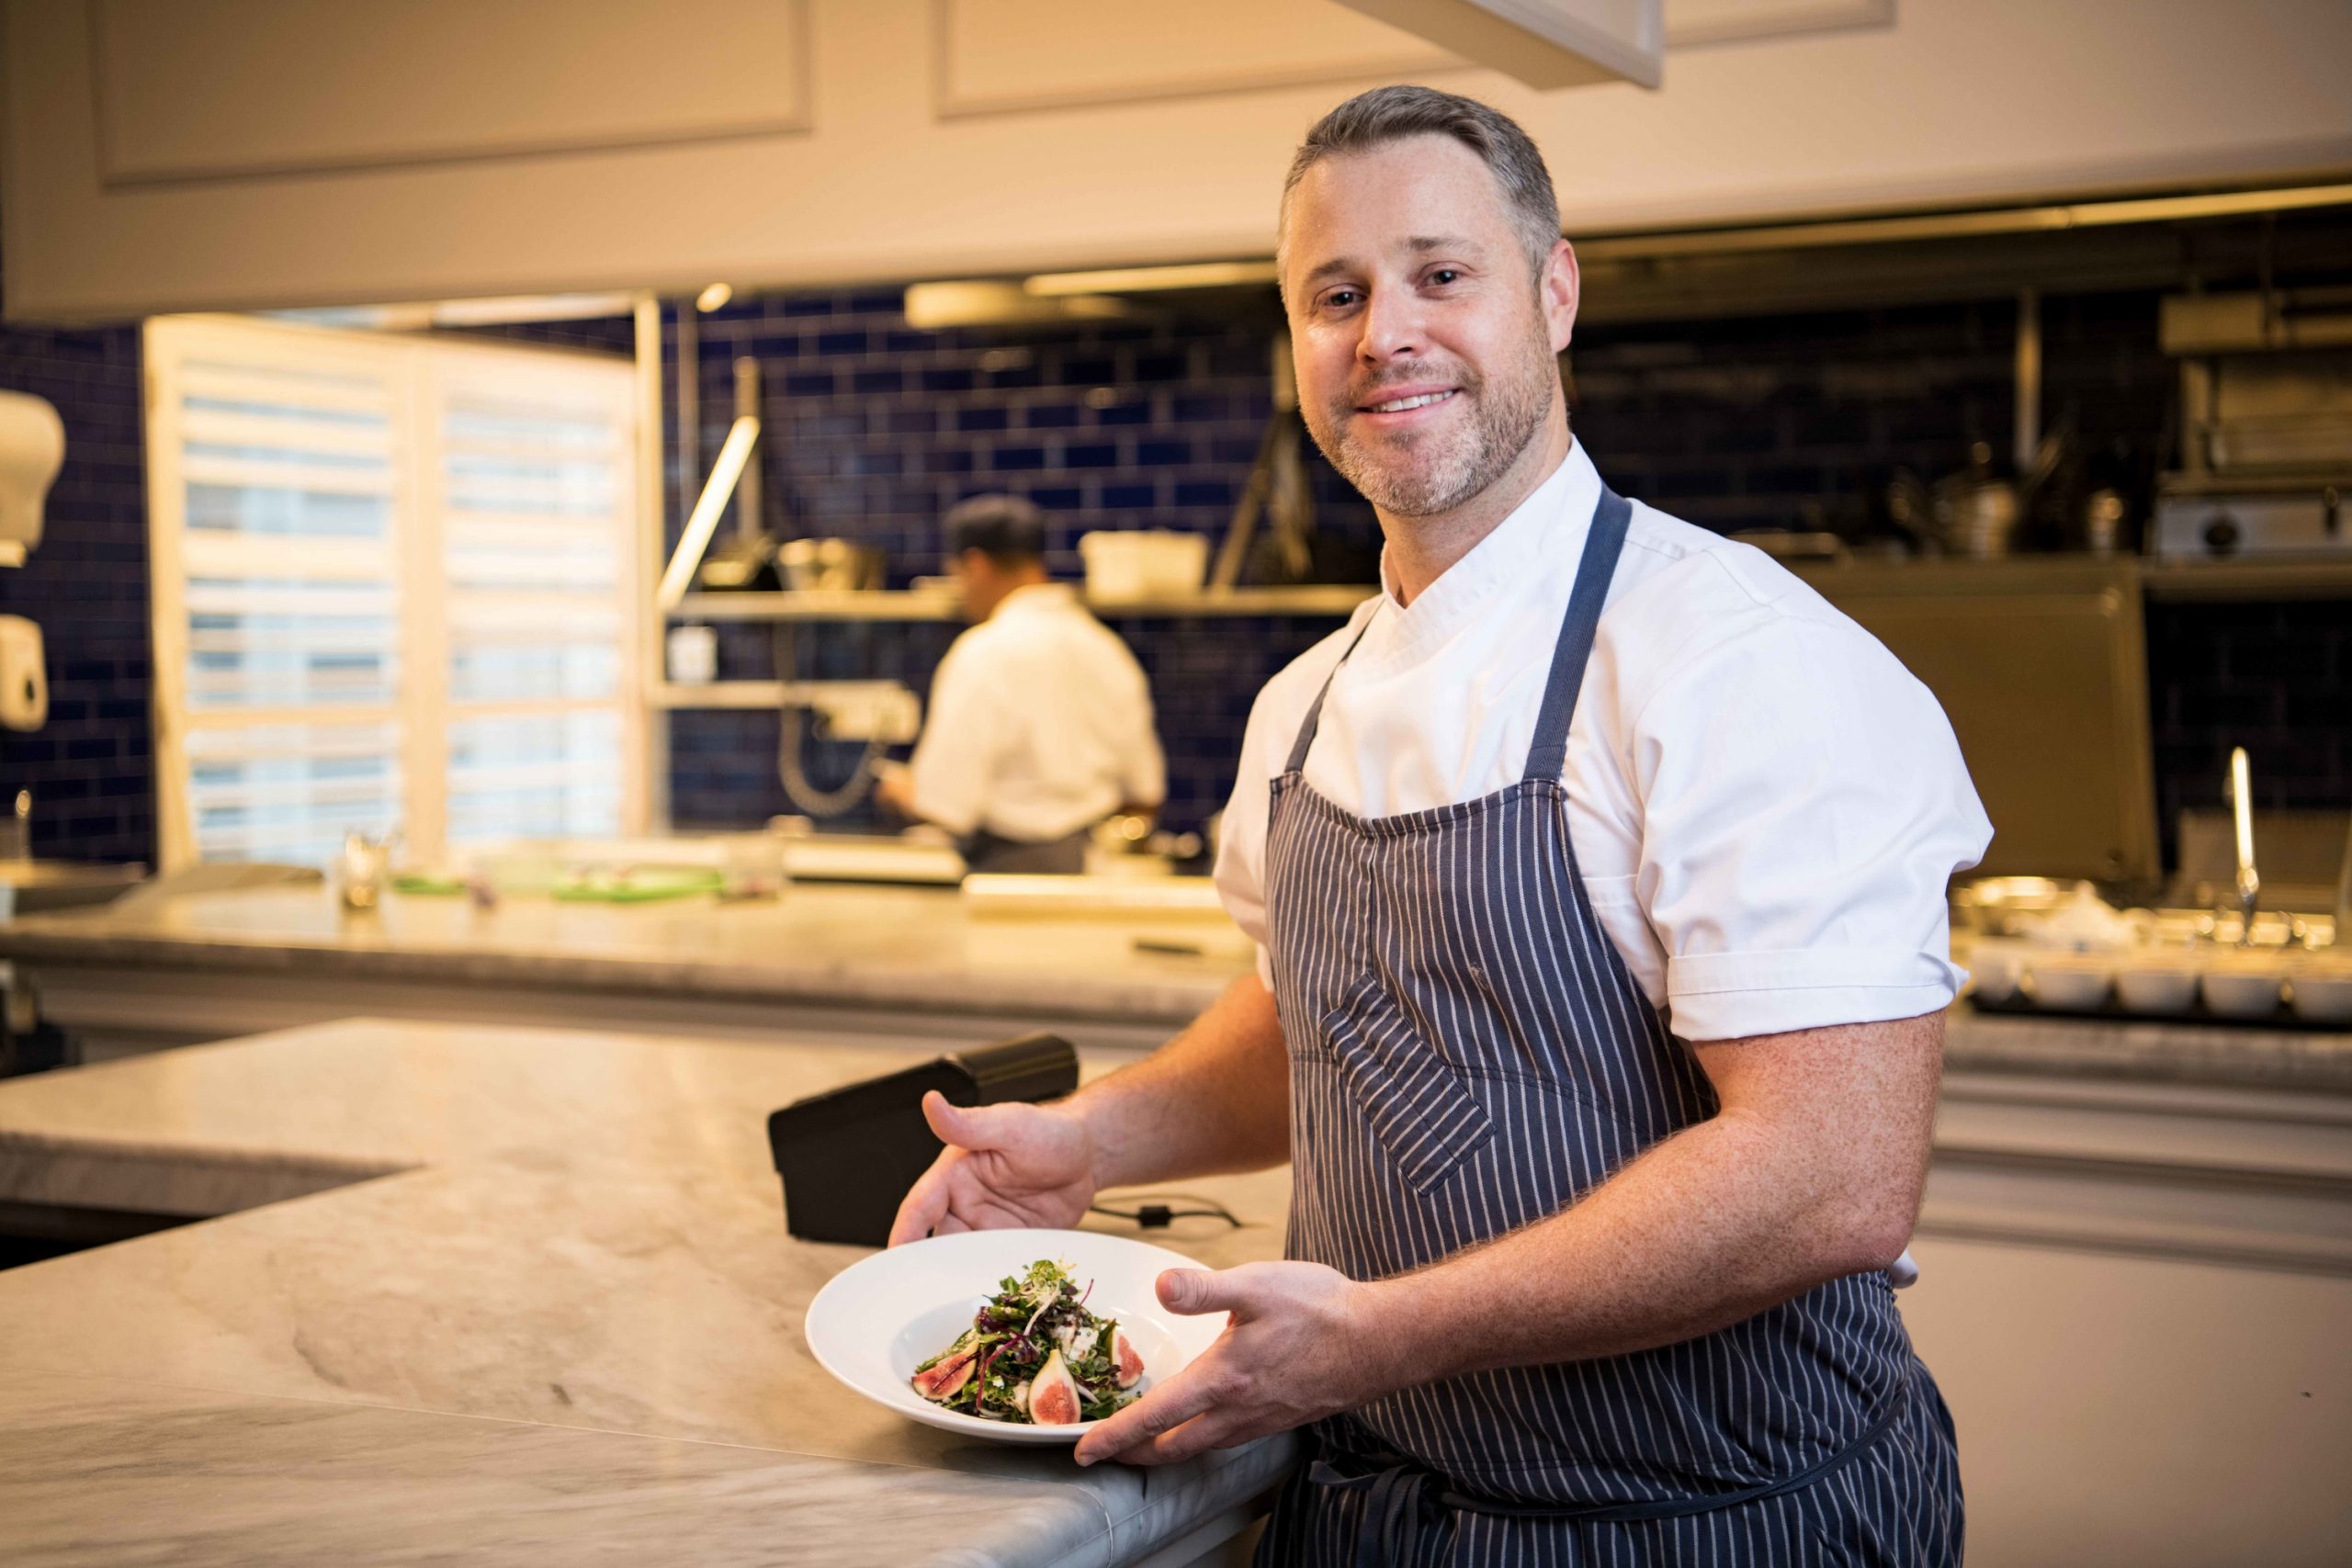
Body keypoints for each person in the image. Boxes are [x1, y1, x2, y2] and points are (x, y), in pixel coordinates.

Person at [891, 85, 1988, 1564]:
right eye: (1333, 294)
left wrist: (1382, 1333)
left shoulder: (1735, 659)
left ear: (1554, 289)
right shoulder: (1305, 702)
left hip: (1715, 1522)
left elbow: (1830, 1178)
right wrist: (1089, 1135)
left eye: (1440, 275)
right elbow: (1330, 1028)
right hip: (1376, 1513)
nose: (1382, 334)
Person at [875, 494, 1166, 874]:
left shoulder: (982, 653)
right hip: (1098, 871)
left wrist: (903, 790)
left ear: (976, 565)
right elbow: (1146, 792)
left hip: (1010, 874)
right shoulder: (1105, 647)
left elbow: (946, 806)